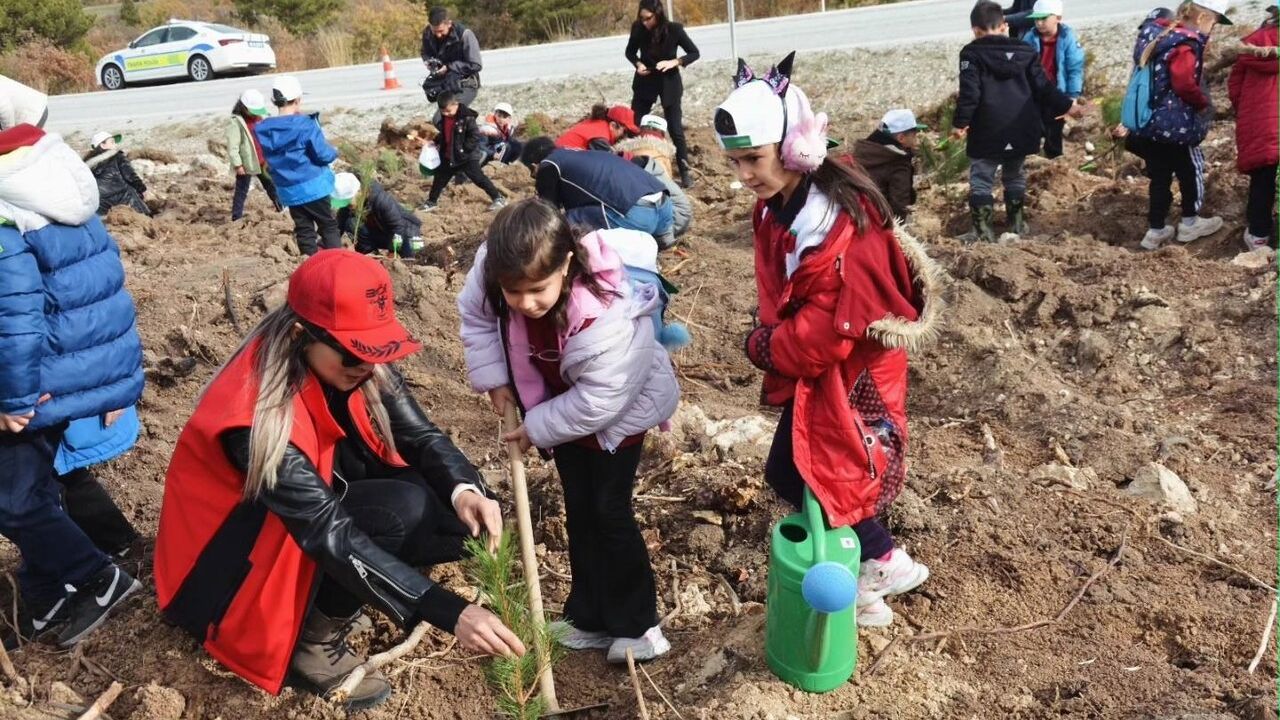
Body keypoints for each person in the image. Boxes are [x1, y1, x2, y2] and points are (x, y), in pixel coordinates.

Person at [154, 250, 525, 711]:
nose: (366, 367)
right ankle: (313, 640)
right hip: (224, 573)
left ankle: (367, 589)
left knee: (451, 513)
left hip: (310, 509)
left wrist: (467, 490)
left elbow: (420, 436)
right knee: (401, 512)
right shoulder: (254, 421)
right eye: (354, 354)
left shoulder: (354, 362)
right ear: (300, 335)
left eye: (374, 350)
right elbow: (327, 531)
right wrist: (449, 612)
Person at [713, 52, 943, 628]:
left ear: (792, 147)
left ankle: (882, 560)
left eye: (753, 159)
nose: (744, 175)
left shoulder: (837, 225)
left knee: (806, 473)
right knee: (808, 475)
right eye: (735, 161)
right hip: (818, 372)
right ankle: (865, 590)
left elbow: (825, 334)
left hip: (849, 375)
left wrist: (766, 348)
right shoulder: (780, 207)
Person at [458, 198, 679, 661]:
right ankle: (591, 619)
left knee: (608, 509)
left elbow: (601, 399)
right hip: (561, 405)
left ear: (566, 264)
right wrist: (496, 379)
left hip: (619, 414)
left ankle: (639, 626)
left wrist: (536, 427)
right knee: (580, 507)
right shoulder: (494, 267)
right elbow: (477, 319)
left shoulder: (605, 310)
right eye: (513, 293)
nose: (525, 303)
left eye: (537, 289)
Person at [0, 123, 145, 649]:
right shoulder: (59, 192)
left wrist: (11, 400)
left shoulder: (5, 215)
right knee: (39, 487)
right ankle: (47, 595)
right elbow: (104, 290)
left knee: (15, 502)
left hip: (33, 383)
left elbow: (14, 319)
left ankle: (96, 577)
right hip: (69, 370)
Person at [951, 1, 1082, 242]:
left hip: (987, 128)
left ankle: (983, 233)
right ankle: (1017, 226)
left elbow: (971, 94)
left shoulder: (971, 53)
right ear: (1003, 26)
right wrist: (1068, 106)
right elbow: (1043, 87)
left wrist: (960, 123)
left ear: (975, 31)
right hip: (1022, 127)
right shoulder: (1026, 51)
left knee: (982, 179)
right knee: (1015, 175)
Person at [1128, 1, 1230, 251]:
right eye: (1214, 22)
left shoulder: (1159, 36)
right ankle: (1190, 222)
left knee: (1159, 176)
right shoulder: (1184, 44)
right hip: (1177, 125)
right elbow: (1183, 83)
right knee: (1190, 170)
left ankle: (1156, 229)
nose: (1213, 28)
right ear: (1203, 16)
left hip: (1151, 121)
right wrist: (1202, 102)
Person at [522, 137, 676, 247]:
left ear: (534, 163)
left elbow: (549, 213)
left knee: (566, 220)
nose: (532, 176)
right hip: (665, 207)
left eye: (531, 171)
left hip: (637, 215)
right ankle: (657, 240)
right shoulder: (582, 155)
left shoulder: (549, 164)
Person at [255, 76, 341, 256]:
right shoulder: (305, 125)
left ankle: (310, 266)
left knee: (304, 230)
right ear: (298, 100)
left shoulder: (264, 130)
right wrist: (334, 152)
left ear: (274, 101)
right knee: (328, 225)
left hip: (289, 191)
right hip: (313, 186)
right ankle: (335, 262)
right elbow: (322, 155)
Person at [625, 0, 701, 187]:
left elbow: (694, 52)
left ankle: (684, 171)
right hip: (645, 80)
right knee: (634, 125)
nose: (644, 22)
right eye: (641, 18)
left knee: (675, 129)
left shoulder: (674, 29)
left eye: (648, 18)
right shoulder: (638, 28)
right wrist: (638, 64)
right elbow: (630, 52)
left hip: (669, 82)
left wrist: (674, 62)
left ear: (657, 15)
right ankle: (632, 166)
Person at [1228, 5, 1278, 251]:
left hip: (1262, 126)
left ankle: (1259, 235)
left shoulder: (1250, 46)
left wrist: (1250, 114)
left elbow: (1235, 90)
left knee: (1263, 179)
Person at [1020, 0, 1086, 159]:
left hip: (1057, 92)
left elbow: (1074, 68)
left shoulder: (1067, 38)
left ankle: (1055, 160)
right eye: (1036, 19)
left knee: (1054, 131)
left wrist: (1073, 95)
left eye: (1043, 18)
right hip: (1034, 94)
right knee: (1033, 129)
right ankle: (1031, 160)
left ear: (1058, 17)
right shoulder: (1029, 38)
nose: (1039, 23)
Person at [421, 92, 507, 213]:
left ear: (456, 105)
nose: (446, 114)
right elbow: (445, 133)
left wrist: (465, 149)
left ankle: (498, 198)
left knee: (478, 178)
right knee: (439, 179)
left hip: (466, 157)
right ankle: (431, 202)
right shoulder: (446, 117)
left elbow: (474, 136)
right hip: (449, 156)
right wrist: (435, 142)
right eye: (443, 112)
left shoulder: (467, 118)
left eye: (448, 111)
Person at [616, 115, 693, 242]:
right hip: (662, 221)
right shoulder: (663, 155)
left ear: (640, 131)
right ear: (663, 134)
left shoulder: (623, 153)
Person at [853, 109, 926, 222]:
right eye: (914, 136)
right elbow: (899, 203)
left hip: (855, 216)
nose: (916, 140)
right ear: (901, 138)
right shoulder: (898, 162)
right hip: (880, 221)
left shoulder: (862, 152)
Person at [331, 172, 424, 258]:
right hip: (382, 232)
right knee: (351, 223)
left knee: (410, 259)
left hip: (405, 233)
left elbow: (398, 227)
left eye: (348, 203)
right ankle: (370, 253)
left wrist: (393, 251)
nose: (347, 206)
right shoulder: (349, 203)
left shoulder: (381, 200)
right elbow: (339, 226)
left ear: (359, 192)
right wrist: (327, 245)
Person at [227, 89, 283, 221]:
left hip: (262, 161)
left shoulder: (259, 118)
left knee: (271, 185)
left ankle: (281, 207)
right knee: (241, 191)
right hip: (247, 163)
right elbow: (233, 146)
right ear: (244, 108)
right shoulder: (236, 123)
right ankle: (237, 217)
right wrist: (238, 164)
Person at [420, 6, 483, 107]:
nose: (438, 35)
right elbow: (425, 52)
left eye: (441, 31)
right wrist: (430, 63)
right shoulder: (427, 34)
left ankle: (466, 120)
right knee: (439, 116)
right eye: (435, 31)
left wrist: (449, 67)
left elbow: (476, 65)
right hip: (444, 82)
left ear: (449, 24)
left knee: (445, 116)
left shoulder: (464, 35)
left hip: (465, 83)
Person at [84, 131, 151, 217]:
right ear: (102, 145)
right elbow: (130, 176)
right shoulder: (117, 157)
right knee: (145, 222)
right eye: (112, 142)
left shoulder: (87, 166)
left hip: (102, 206)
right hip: (126, 200)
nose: (115, 144)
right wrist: (143, 189)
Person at [557, 104, 640, 152]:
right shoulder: (600, 139)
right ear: (613, 125)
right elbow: (611, 161)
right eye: (625, 132)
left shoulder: (595, 124)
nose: (625, 136)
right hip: (561, 162)